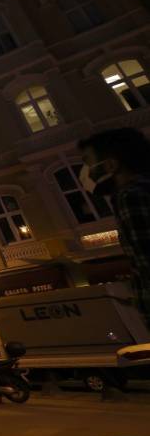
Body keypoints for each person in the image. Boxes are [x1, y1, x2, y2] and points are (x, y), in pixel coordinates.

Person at [78, 128, 150, 327]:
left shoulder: (131, 196)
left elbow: (145, 258)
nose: (86, 171)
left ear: (111, 164)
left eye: (87, 161)